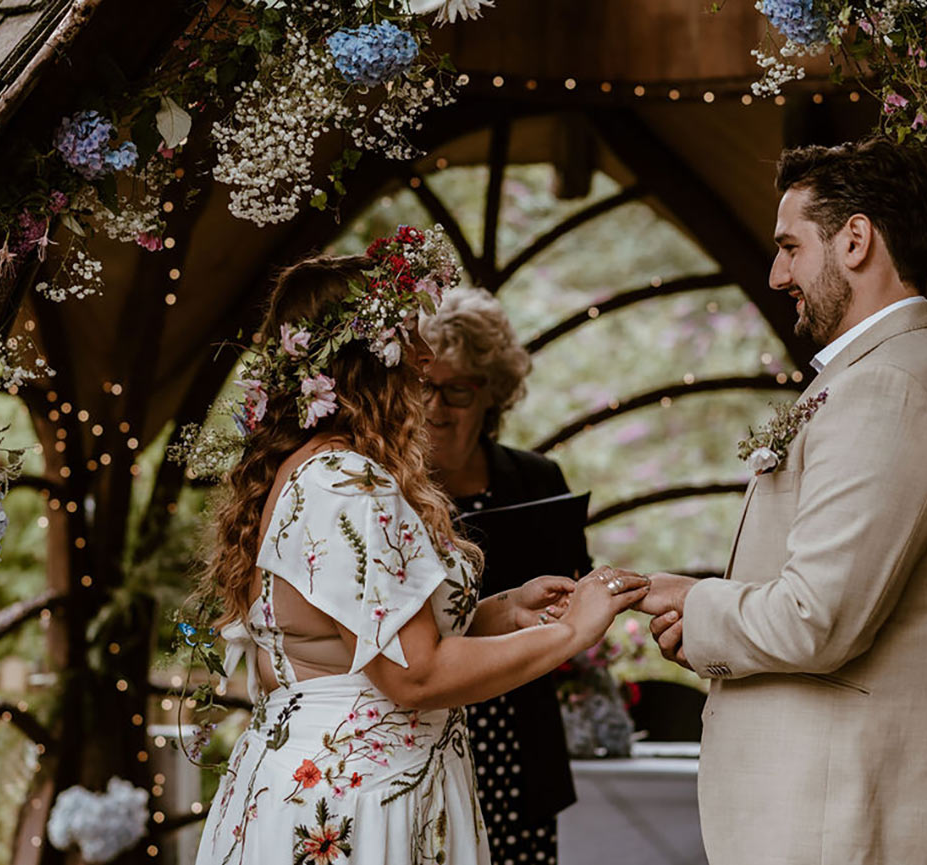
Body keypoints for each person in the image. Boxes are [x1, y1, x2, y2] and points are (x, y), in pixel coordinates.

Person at [188, 230, 649, 865]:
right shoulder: (351, 485)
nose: (424, 355)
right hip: (356, 801)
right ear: (367, 358)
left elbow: (367, 640)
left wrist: (505, 610)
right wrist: (570, 634)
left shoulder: (315, 469)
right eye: (408, 335)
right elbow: (414, 674)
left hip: (335, 779)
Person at [638, 139, 927, 864]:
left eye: (790, 247)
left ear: (857, 239)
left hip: (859, 823)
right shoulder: (889, 373)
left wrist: (702, 609)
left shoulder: (889, 388)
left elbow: (819, 617)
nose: (777, 274)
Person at [420, 286, 589, 865]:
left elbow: (576, 590)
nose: (436, 407)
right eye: (423, 386)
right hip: (421, 736)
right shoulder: (385, 492)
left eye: (458, 389)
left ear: (491, 392)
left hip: (519, 746)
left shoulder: (539, 479)